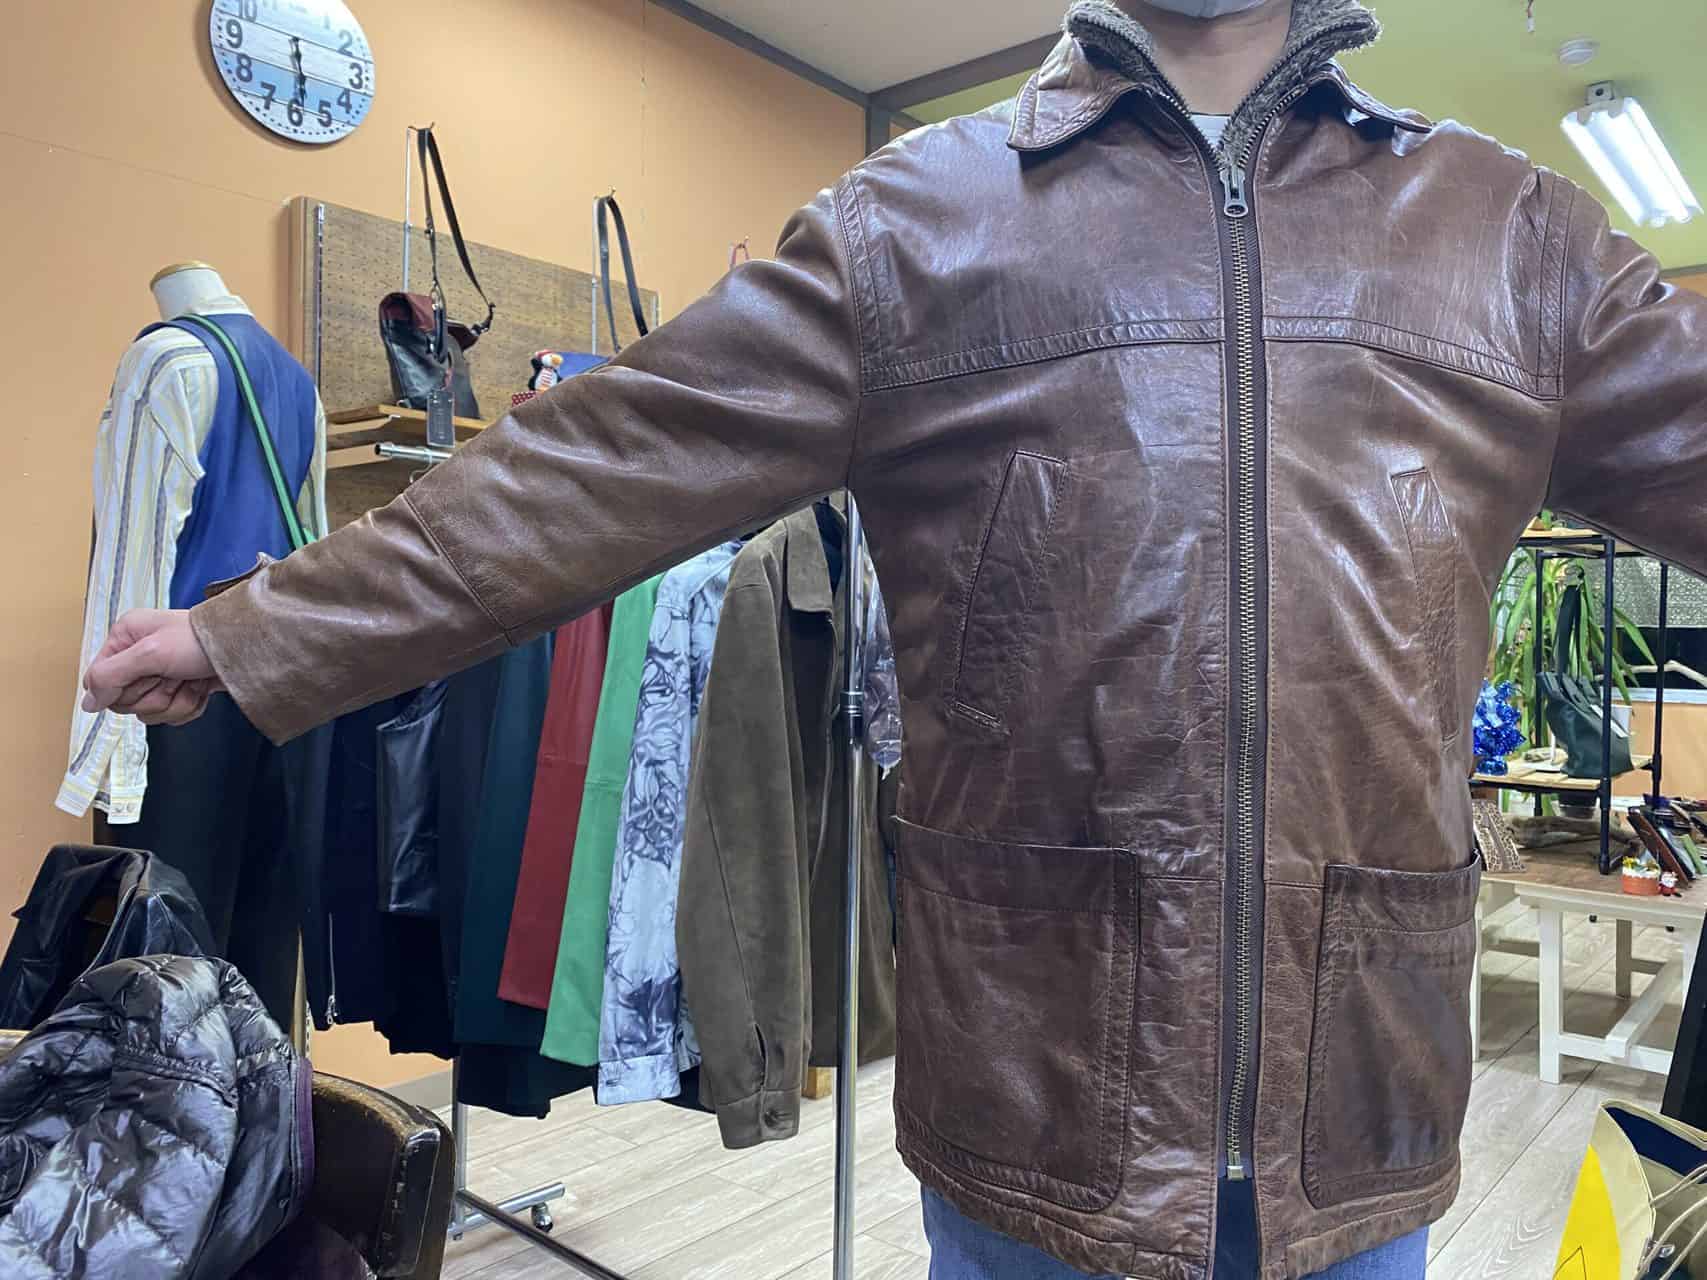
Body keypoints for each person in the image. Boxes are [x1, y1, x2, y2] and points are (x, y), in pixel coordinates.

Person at [82, 0, 1707, 1275]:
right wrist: (267, 627)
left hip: (1357, 1089)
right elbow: (608, 456)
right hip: (1041, 1089)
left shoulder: (1509, 238)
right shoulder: (917, 226)